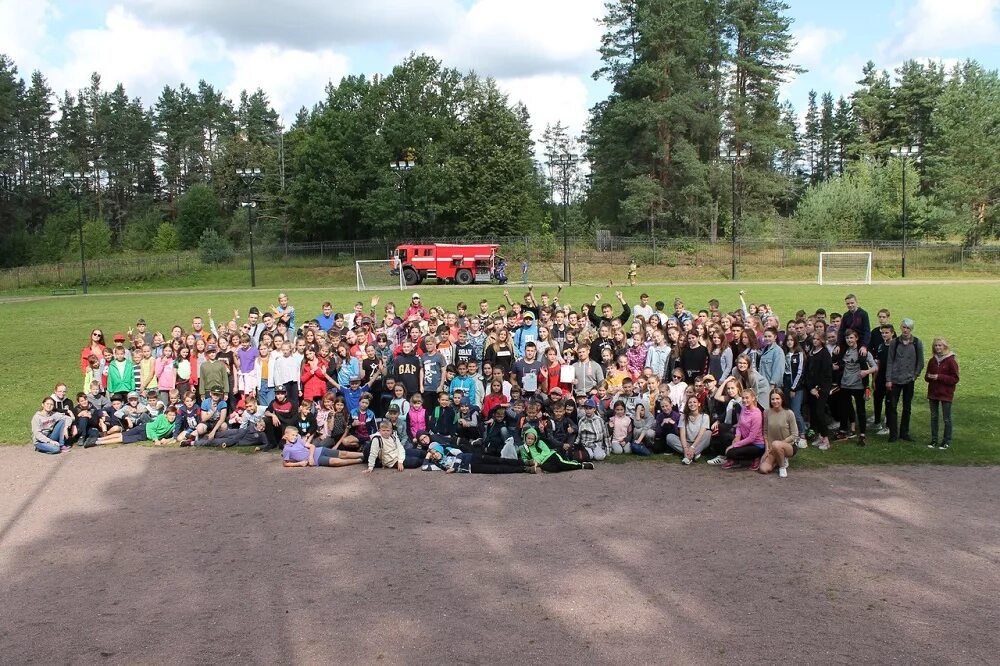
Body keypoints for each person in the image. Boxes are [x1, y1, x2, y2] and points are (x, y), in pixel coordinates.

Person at [834, 329, 877, 446]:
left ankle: (862, 434)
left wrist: (866, 372)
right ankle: (844, 430)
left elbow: (875, 367)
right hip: (845, 384)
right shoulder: (843, 351)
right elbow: (839, 364)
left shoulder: (863, 352)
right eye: (847, 338)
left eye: (851, 338)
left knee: (861, 410)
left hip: (858, 385)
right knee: (845, 408)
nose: (849, 340)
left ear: (857, 338)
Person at [884, 318, 924, 443]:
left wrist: (915, 375)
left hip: (909, 380)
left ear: (911, 329)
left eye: (908, 328)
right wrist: (888, 379)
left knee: (907, 407)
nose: (906, 330)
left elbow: (920, 362)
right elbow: (889, 361)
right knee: (892, 407)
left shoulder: (917, 343)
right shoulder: (894, 343)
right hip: (895, 379)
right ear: (900, 328)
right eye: (904, 327)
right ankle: (893, 434)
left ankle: (904, 433)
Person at [925, 337, 959, 450]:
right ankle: (934, 439)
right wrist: (930, 377)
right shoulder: (932, 360)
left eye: (940, 345)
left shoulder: (951, 361)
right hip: (933, 392)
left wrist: (939, 377)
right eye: (936, 345)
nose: (938, 347)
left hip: (946, 393)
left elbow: (955, 378)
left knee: (946, 418)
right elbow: (927, 376)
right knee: (934, 417)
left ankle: (946, 441)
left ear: (944, 346)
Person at [281, 425, 365, 468]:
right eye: (292, 435)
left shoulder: (298, 440)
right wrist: (299, 463)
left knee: (343, 454)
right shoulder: (286, 449)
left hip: (319, 451)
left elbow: (312, 446)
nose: (295, 437)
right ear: (285, 436)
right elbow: (285, 463)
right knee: (336, 462)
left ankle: (365, 454)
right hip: (317, 460)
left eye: (296, 435)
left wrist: (310, 457)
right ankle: (360, 460)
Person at [758, 389, 798, 478]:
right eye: (773, 399)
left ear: (782, 399)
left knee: (777, 444)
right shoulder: (766, 412)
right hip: (772, 447)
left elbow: (795, 434)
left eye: (777, 398)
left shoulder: (789, 413)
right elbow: (765, 432)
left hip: (789, 446)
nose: (775, 401)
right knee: (763, 469)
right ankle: (779, 459)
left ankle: (782, 467)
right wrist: (766, 450)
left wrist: (781, 443)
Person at [721, 389, 765, 470]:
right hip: (745, 439)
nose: (744, 400)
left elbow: (752, 438)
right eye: (743, 398)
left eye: (747, 398)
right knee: (725, 435)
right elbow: (739, 425)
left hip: (756, 445)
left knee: (730, 452)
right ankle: (734, 460)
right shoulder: (744, 408)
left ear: (753, 398)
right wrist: (737, 436)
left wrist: (734, 445)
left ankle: (756, 458)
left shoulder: (757, 414)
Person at [518, 427, 594, 472]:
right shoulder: (523, 448)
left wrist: (537, 460)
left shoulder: (539, 443)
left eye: (532, 439)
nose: (530, 440)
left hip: (551, 456)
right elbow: (524, 458)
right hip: (543, 463)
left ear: (535, 439)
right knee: (554, 469)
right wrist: (528, 462)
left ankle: (581, 465)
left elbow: (546, 451)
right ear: (525, 438)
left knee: (562, 464)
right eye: (528, 438)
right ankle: (571, 463)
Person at [93, 406, 178, 446]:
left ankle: (98, 443)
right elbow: (152, 428)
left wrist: (167, 440)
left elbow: (175, 434)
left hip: (144, 436)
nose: (172, 417)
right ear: (166, 414)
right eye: (170, 415)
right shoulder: (161, 417)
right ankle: (100, 439)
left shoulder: (175, 423)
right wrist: (156, 440)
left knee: (123, 439)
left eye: (173, 415)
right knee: (123, 434)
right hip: (144, 427)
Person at [422, 443, 531, 474]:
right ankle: (524, 469)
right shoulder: (438, 464)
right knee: (497, 469)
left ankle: (524, 462)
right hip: (471, 468)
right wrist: (427, 456)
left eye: (435, 452)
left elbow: (460, 454)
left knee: (498, 460)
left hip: (472, 458)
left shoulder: (448, 451)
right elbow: (425, 467)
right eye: (432, 455)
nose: (435, 455)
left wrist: (454, 467)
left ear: (439, 449)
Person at [666, 395, 710, 464]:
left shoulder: (705, 416)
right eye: (690, 402)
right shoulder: (683, 416)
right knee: (669, 437)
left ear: (699, 404)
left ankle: (688, 456)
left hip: (698, 442)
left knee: (708, 433)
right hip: (686, 442)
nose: (692, 404)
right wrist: (686, 448)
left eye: (694, 402)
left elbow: (701, 434)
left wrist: (692, 447)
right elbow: (682, 434)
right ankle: (694, 454)